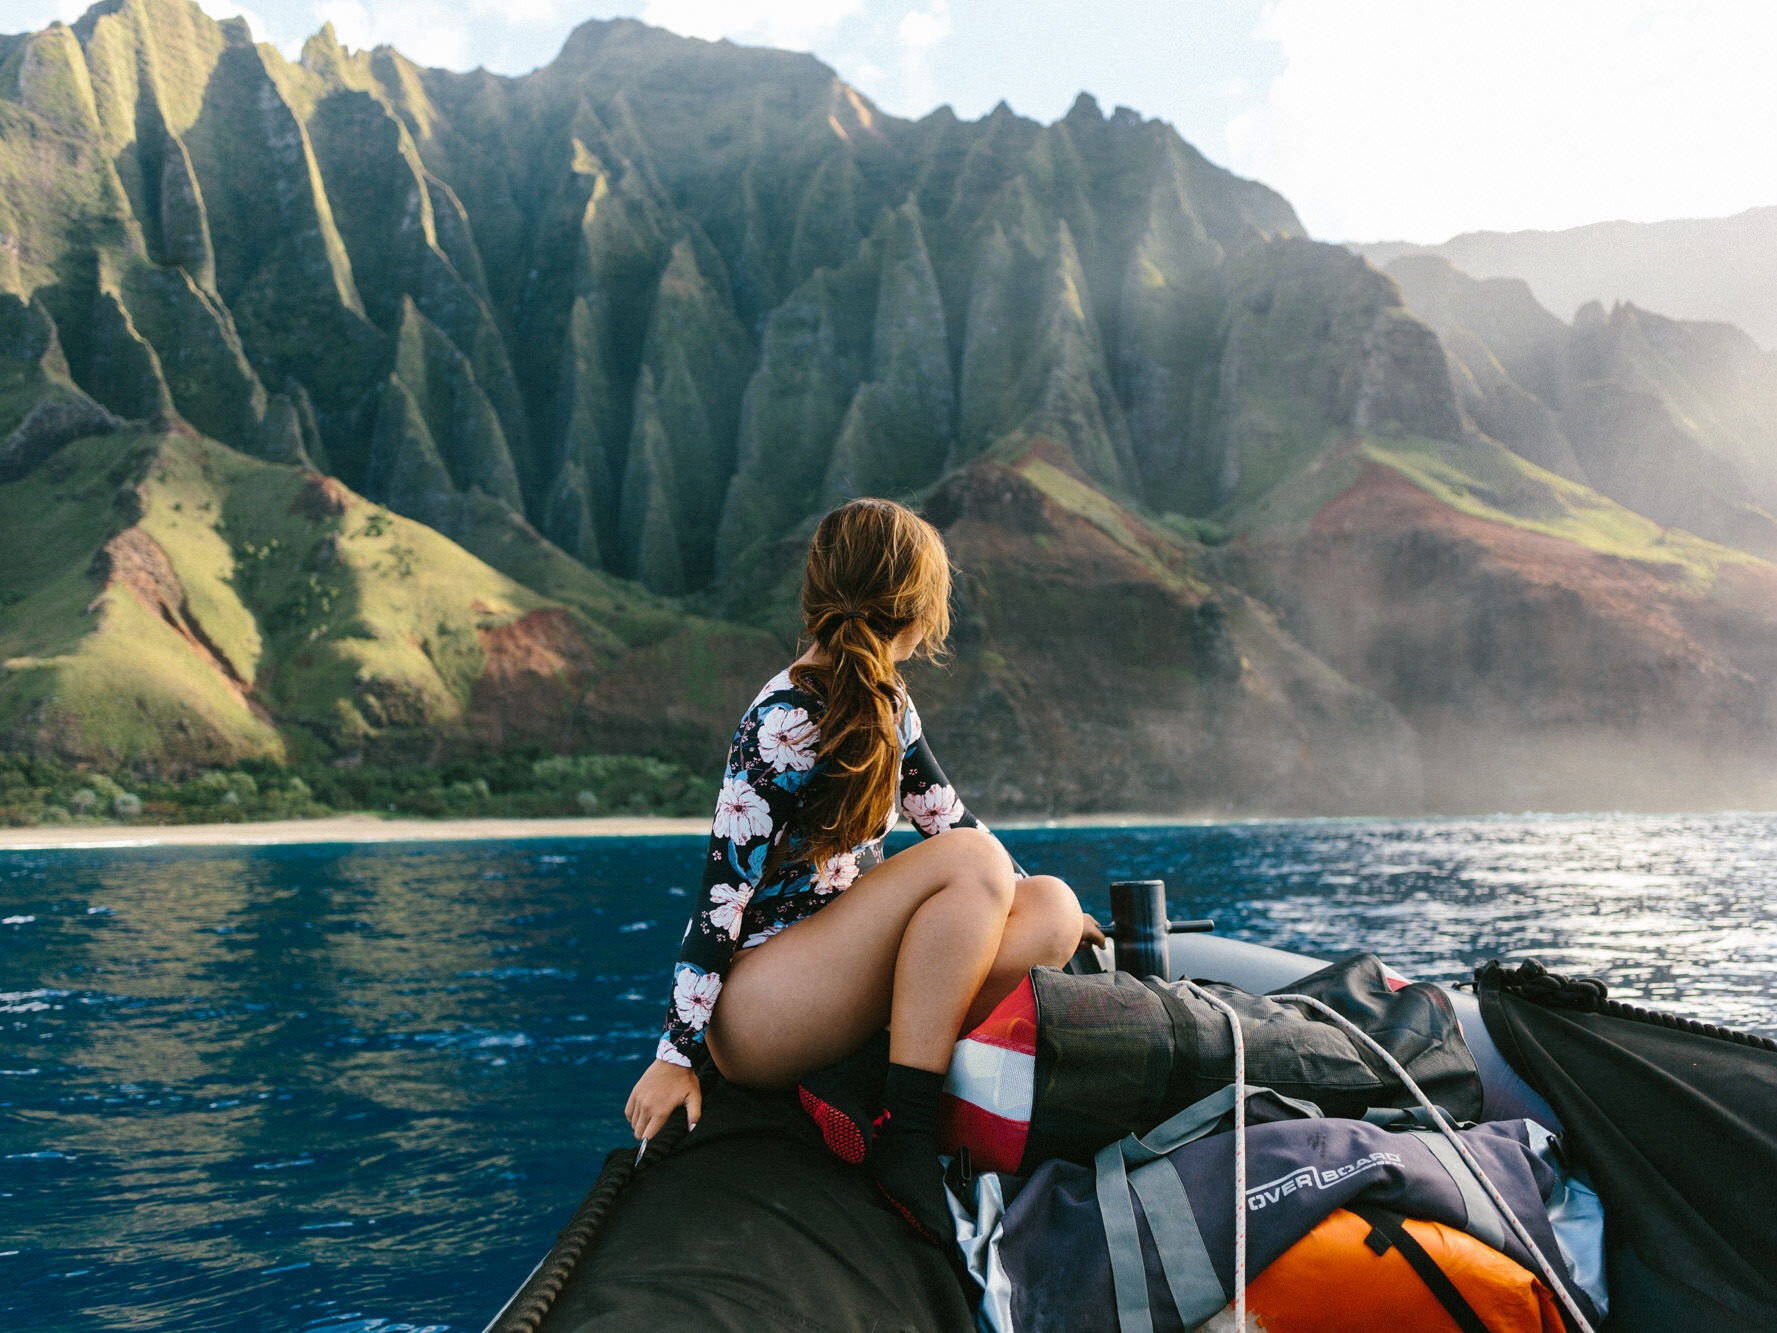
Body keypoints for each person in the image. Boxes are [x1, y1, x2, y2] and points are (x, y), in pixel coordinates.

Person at [624, 497, 1099, 1242]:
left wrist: (1068, 923)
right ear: (918, 612)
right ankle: (904, 1134)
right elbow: (720, 899)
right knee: (976, 866)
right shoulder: (780, 720)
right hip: (760, 1011)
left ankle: (851, 1081)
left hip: (831, 981)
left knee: (1050, 904)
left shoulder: (887, 704)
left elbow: (950, 820)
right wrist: (672, 1056)